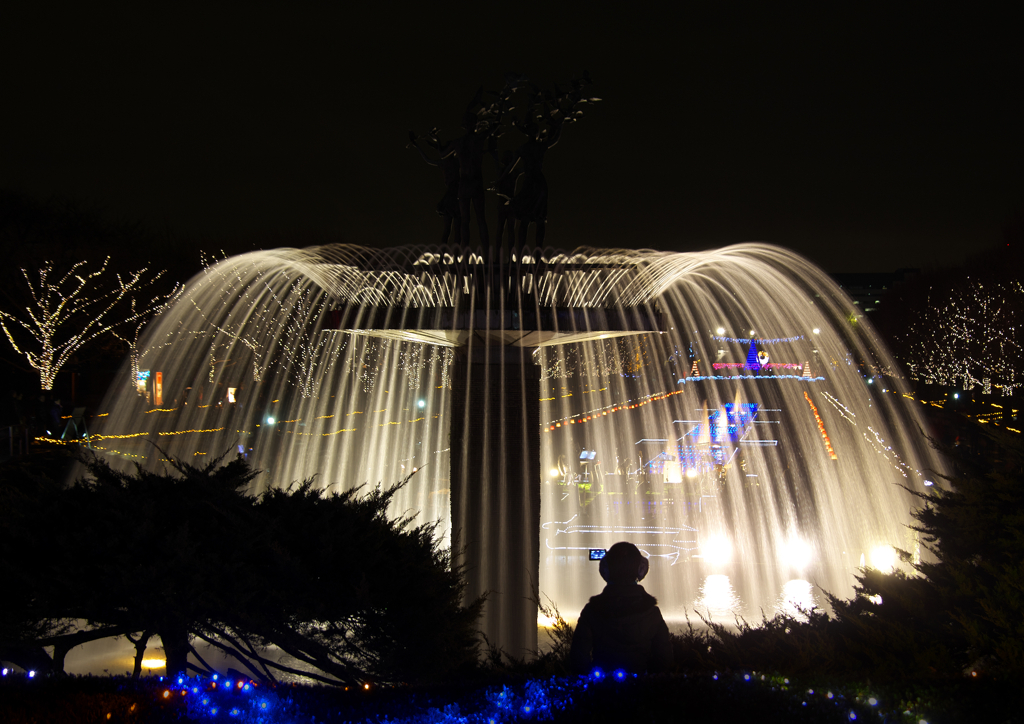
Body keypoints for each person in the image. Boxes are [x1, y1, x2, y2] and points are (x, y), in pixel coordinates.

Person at [569, 541, 673, 675]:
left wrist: (594, 685)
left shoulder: (592, 610)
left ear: (605, 569)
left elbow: (578, 658)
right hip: (641, 690)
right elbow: (665, 659)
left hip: (603, 690)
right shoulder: (652, 612)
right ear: (641, 569)